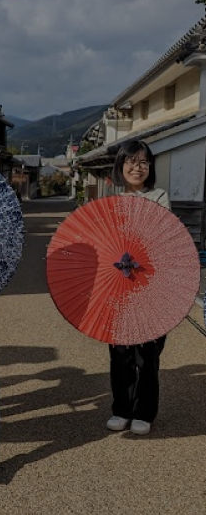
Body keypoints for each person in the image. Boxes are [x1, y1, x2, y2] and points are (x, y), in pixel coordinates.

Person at [106, 140, 170, 436]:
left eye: (144, 162)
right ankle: (121, 408)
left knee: (147, 352)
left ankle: (144, 411)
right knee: (120, 351)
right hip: (119, 286)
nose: (137, 167)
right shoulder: (112, 202)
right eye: (131, 161)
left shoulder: (159, 197)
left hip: (151, 286)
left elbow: (160, 238)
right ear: (120, 166)